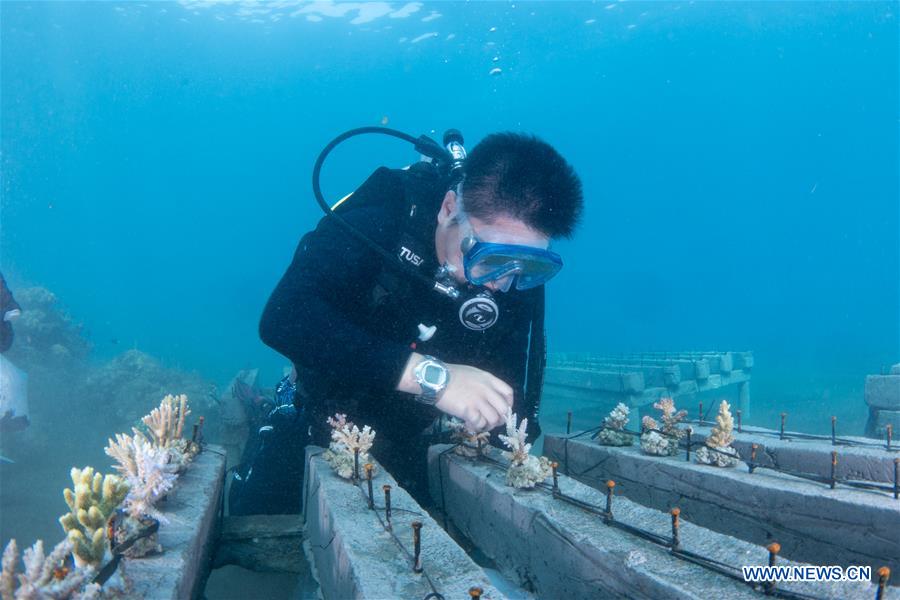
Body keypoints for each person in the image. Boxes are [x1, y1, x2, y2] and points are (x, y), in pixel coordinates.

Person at [253, 131, 583, 512]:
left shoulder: (514, 276)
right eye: (490, 258)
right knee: (261, 501)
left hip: (411, 428)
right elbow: (283, 317)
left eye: (529, 266)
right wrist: (434, 379)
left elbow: (511, 387)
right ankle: (275, 405)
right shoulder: (383, 218)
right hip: (327, 403)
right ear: (447, 209)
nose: (500, 282)